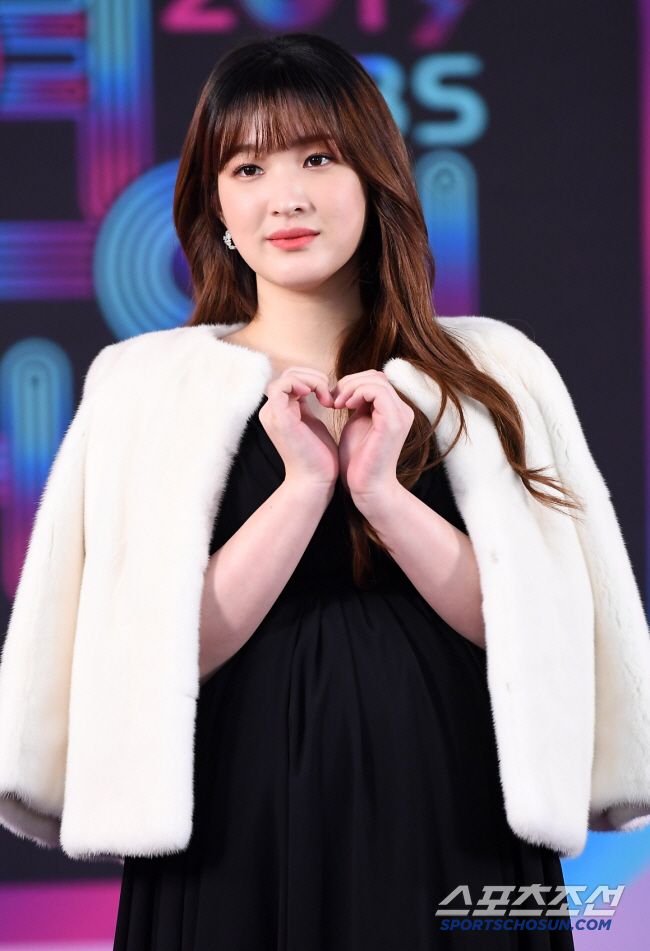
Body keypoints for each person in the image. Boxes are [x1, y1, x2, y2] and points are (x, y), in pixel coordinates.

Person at [111, 32, 579, 950]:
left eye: (318, 158)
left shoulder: (489, 374)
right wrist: (303, 487)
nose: (284, 197)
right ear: (216, 203)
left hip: (453, 811)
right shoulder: (154, 390)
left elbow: (540, 626)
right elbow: (150, 654)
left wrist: (382, 494)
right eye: (248, 168)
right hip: (230, 825)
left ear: (374, 175)